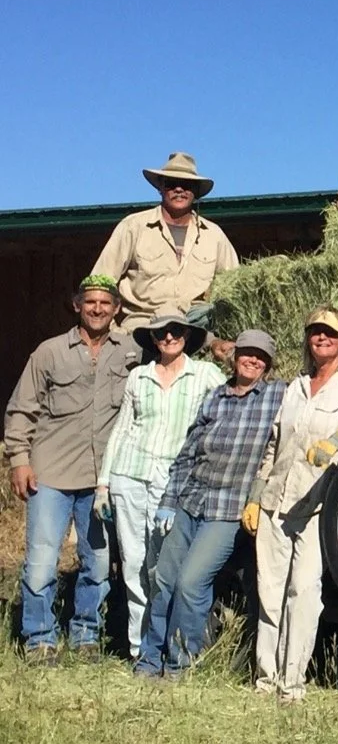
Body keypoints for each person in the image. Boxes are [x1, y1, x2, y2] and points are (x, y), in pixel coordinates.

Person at [242, 306, 338, 702]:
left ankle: (292, 683)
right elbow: (274, 444)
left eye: (329, 332)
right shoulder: (296, 387)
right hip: (276, 501)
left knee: (303, 593)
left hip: (317, 504)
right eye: (314, 331)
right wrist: (256, 496)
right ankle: (264, 679)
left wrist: (335, 442)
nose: (320, 337)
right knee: (269, 590)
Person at [134, 329, 286, 678]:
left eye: (261, 356)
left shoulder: (278, 395)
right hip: (190, 501)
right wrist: (170, 500)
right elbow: (188, 454)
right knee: (164, 581)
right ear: (234, 356)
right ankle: (149, 659)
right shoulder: (216, 397)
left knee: (191, 582)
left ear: (269, 364)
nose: (253, 359)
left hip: (229, 510)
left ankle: (179, 664)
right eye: (247, 352)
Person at [3, 275, 139, 664]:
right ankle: (39, 638)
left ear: (116, 309)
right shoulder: (48, 352)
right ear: (77, 305)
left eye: (105, 303)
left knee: (96, 563)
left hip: (101, 481)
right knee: (42, 561)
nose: (98, 309)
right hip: (51, 473)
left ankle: (85, 636)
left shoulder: (130, 352)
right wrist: (19, 461)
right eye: (90, 302)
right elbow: (21, 409)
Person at [98, 310, 226, 658]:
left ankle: (174, 645)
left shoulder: (205, 374)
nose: (168, 338)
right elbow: (122, 430)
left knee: (163, 567)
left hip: (173, 481)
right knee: (133, 562)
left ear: (186, 336)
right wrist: (103, 483)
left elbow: (229, 409)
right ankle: (141, 648)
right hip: (130, 473)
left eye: (175, 331)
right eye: (161, 334)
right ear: (152, 340)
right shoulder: (139, 376)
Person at [90, 151, 239, 359]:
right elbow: (100, 283)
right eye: (171, 183)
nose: (179, 189)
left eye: (187, 184)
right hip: (141, 334)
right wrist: (116, 333)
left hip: (196, 337)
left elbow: (236, 289)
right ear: (160, 187)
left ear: (196, 191)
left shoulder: (214, 235)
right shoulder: (133, 227)